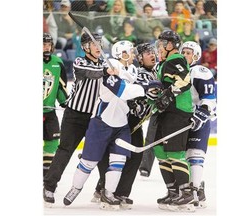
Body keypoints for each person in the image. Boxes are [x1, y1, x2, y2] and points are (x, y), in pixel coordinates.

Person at [62, 40, 163, 210]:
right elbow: (123, 91)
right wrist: (146, 87)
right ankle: (76, 188)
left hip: (121, 125)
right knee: (88, 162)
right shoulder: (111, 69)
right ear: (122, 54)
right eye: (130, 51)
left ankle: (109, 194)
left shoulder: (130, 70)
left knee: (119, 161)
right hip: (101, 123)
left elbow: (132, 90)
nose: (133, 55)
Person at [43, 32, 116, 204]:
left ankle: (103, 190)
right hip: (74, 116)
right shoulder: (80, 62)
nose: (98, 47)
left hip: (95, 117)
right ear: (85, 47)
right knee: (65, 151)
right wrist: (107, 70)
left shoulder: (105, 64)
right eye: (94, 44)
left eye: (99, 43)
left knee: (102, 154)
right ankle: (49, 186)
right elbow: (91, 73)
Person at [91, 42, 162, 209]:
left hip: (136, 122)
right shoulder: (138, 72)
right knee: (118, 156)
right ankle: (105, 190)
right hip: (126, 120)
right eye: (147, 53)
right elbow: (127, 90)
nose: (152, 55)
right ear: (139, 58)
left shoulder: (156, 72)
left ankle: (118, 192)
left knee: (133, 157)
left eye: (153, 52)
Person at [152, 30, 195, 212]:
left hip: (178, 112)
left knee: (175, 153)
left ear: (171, 45)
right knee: (160, 151)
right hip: (167, 113)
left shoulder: (175, 59)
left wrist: (168, 95)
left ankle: (187, 194)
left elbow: (185, 81)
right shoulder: (164, 63)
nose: (160, 47)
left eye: (163, 43)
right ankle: (173, 191)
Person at [179, 41, 216, 208]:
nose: (185, 55)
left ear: (196, 56)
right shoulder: (178, 72)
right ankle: (198, 191)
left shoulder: (200, 71)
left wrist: (203, 111)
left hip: (200, 120)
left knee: (195, 155)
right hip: (183, 120)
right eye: (183, 52)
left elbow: (209, 98)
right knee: (184, 156)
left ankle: (194, 192)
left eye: (189, 52)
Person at [43, 33, 68, 177]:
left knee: (52, 141)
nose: (46, 47)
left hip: (49, 111)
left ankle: (46, 172)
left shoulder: (57, 62)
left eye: (48, 45)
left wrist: (65, 102)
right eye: (43, 45)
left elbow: (60, 86)